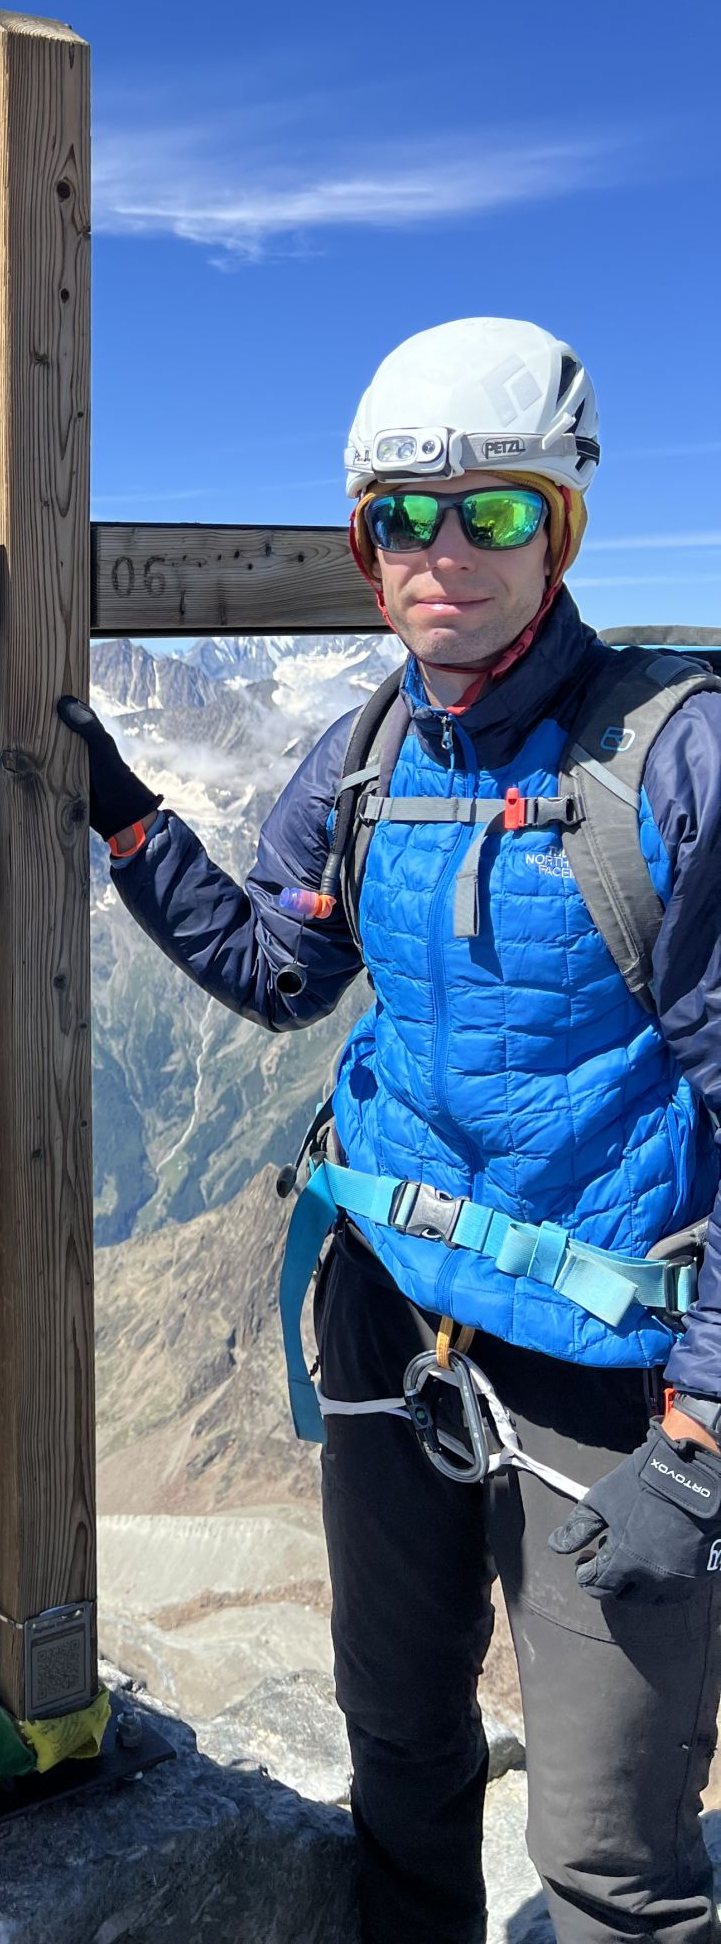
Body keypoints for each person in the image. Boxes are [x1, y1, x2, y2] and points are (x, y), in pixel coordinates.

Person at [60, 317, 721, 1944]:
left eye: (492, 511)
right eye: (403, 518)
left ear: (559, 530)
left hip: (606, 1366)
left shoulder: (673, 755)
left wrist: (704, 1438)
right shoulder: (366, 751)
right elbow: (281, 969)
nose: (443, 552)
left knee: (610, 1854)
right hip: (392, 1317)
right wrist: (130, 821)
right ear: (366, 546)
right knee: (401, 1751)